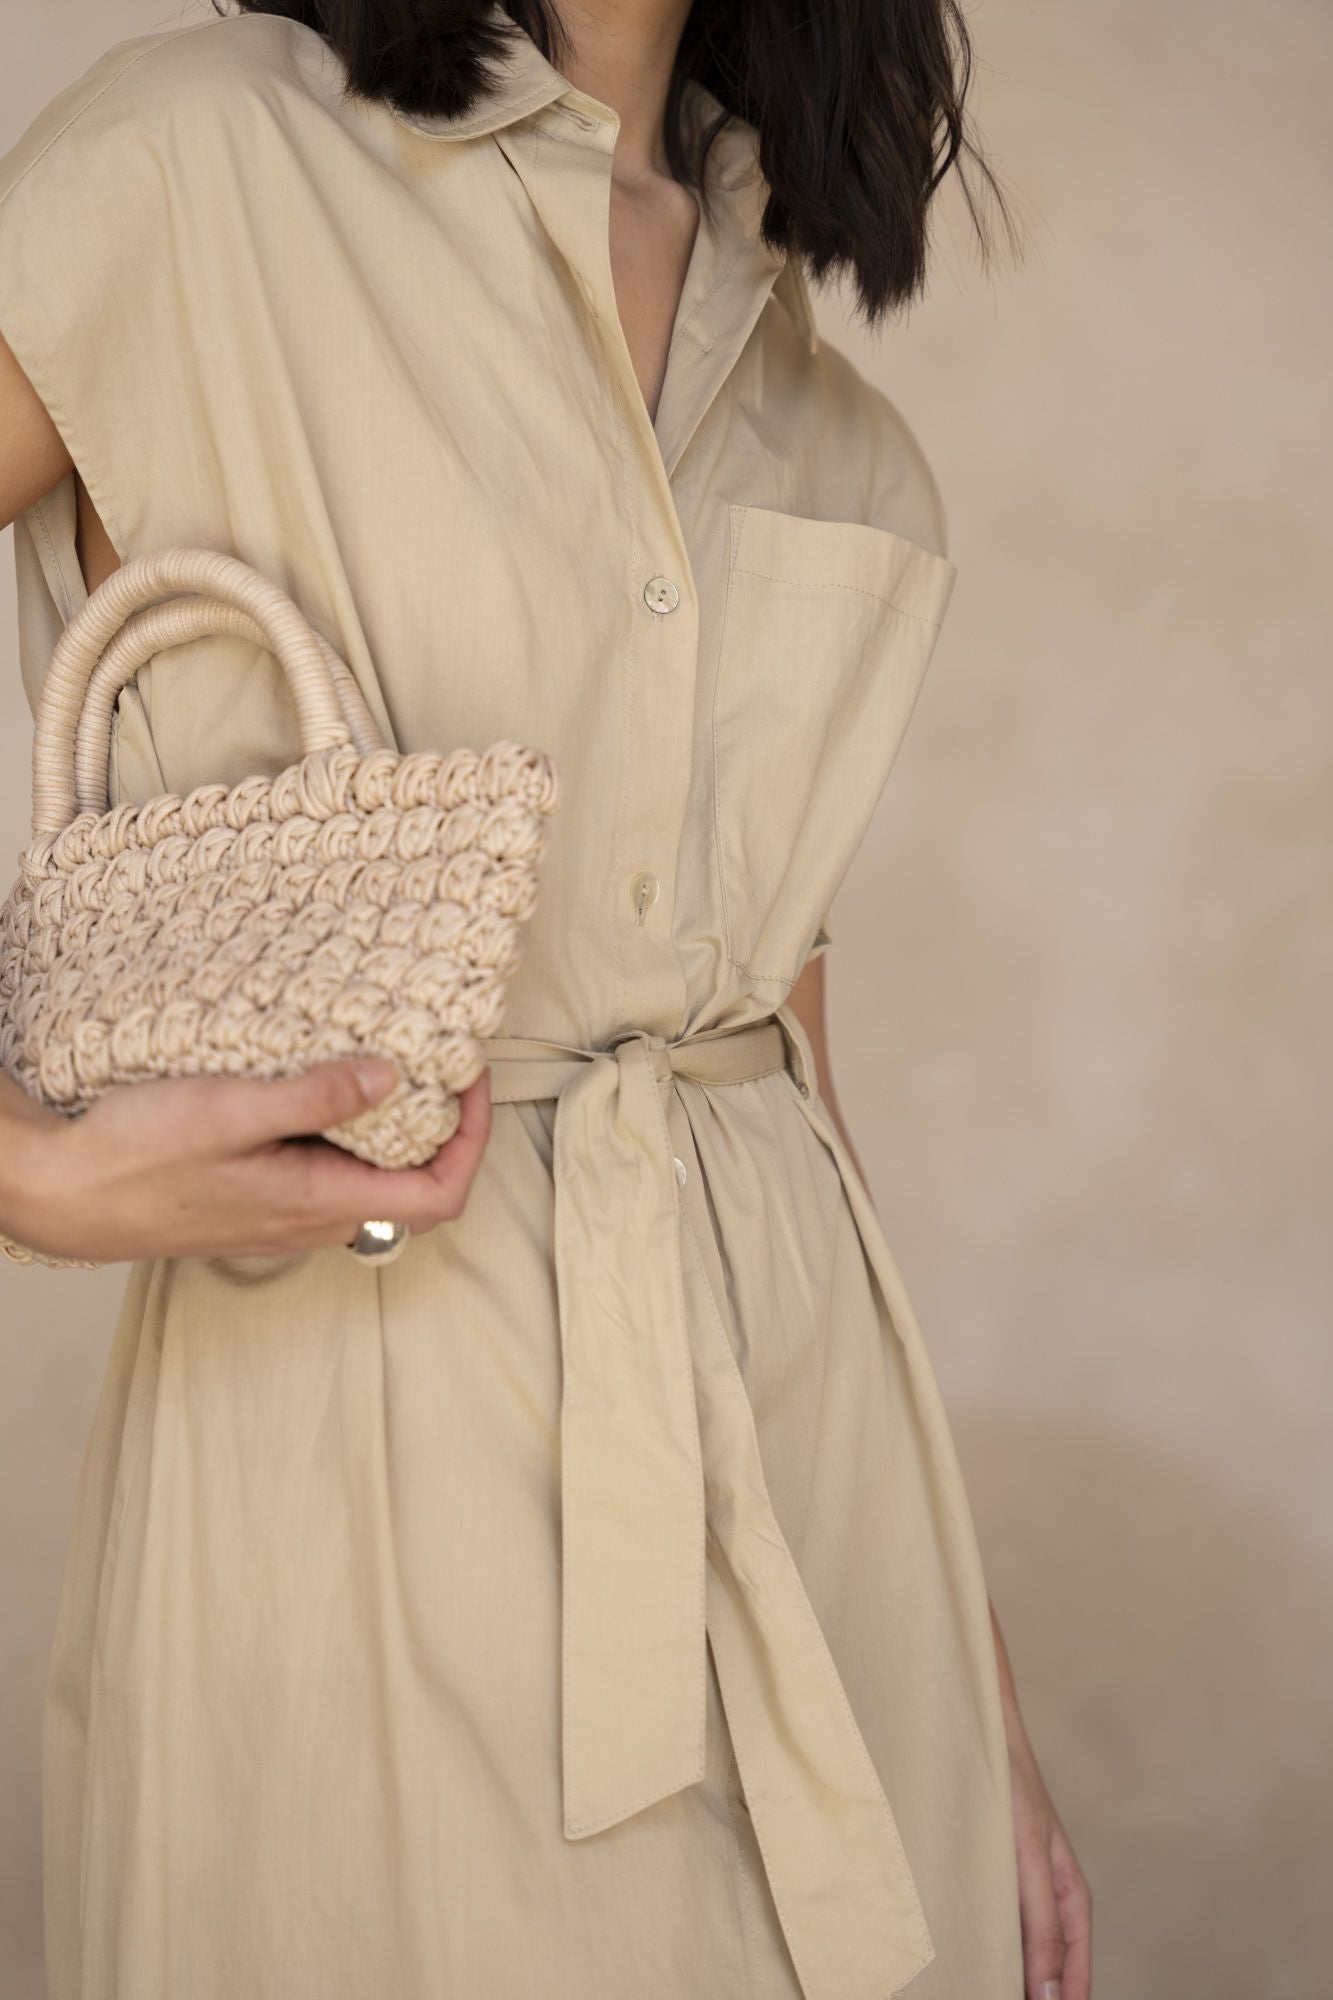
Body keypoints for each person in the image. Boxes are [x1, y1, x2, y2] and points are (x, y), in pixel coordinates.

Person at [0, 1, 1092, 1995]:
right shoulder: (197, 161)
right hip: (365, 1461)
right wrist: (14, 1165)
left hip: (821, 1503)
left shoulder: (822, 408)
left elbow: (779, 1064)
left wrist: (983, 1695)